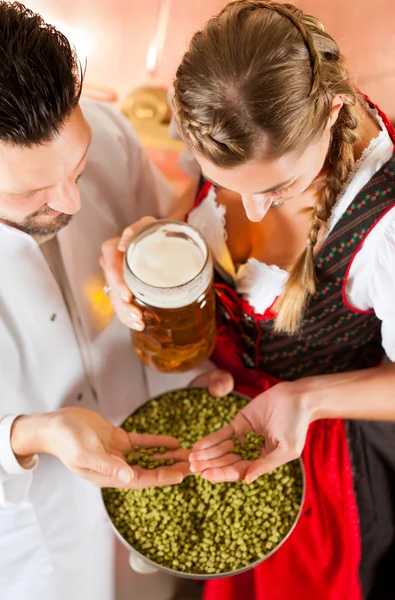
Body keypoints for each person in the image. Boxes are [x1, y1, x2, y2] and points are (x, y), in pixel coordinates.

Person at [104, 1, 395, 599]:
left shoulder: (385, 231)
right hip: (220, 405)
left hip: (320, 441)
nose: (253, 209)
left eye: (280, 187)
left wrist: (304, 399)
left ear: (332, 112)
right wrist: (144, 242)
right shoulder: (229, 119)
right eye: (231, 185)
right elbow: (191, 196)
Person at [0, 3, 232, 600]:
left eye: (77, 164)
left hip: (156, 468)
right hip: (39, 544)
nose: (71, 203)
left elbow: (173, 244)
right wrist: (26, 436)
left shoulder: (110, 132)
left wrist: (150, 244)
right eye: (33, 192)